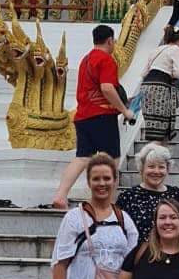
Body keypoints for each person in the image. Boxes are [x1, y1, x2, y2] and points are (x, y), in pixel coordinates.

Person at [52, 25, 137, 210]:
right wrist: (125, 111)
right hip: (102, 116)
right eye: (113, 41)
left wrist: (121, 103)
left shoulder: (86, 59)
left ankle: (61, 194)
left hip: (83, 116)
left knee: (82, 157)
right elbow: (107, 88)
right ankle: (105, 203)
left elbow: (98, 88)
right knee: (111, 160)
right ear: (110, 40)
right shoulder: (106, 60)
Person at [118, 143, 179, 241]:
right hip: (137, 254)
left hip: (170, 254)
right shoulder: (127, 196)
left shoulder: (176, 195)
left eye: (161, 167)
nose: (156, 171)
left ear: (167, 169)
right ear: (142, 168)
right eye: (151, 166)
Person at [137, 29, 179, 143]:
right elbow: (178, 73)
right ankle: (155, 156)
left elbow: (144, 73)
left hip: (147, 87)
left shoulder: (156, 50)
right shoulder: (176, 50)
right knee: (161, 128)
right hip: (161, 88)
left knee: (153, 127)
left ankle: (153, 153)